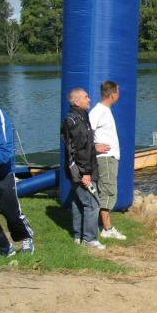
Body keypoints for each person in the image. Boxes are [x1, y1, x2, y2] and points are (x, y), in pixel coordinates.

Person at [0, 76, 34, 256]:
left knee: (11, 214)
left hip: (2, 174)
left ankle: (26, 237)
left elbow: (6, 153)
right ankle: (4, 249)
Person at [61, 88, 105, 249]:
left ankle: (78, 235)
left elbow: (85, 144)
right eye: (86, 97)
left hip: (78, 169)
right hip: (80, 171)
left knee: (78, 202)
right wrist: (85, 173)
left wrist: (95, 147)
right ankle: (89, 239)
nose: (89, 99)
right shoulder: (75, 121)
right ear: (77, 101)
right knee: (93, 203)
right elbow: (79, 150)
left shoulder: (81, 116)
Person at [89, 80, 126, 240]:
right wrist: (94, 146)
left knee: (107, 190)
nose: (119, 94)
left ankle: (102, 224)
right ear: (112, 94)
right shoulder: (98, 111)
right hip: (105, 159)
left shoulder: (105, 110)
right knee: (109, 191)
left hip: (110, 158)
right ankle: (107, 229)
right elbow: (85, 132)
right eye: (118, 91)